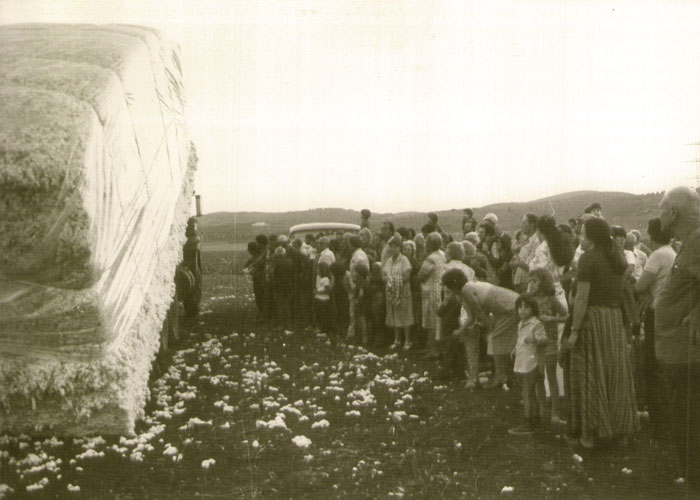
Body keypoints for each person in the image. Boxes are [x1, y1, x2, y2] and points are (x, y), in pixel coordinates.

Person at [564, 217, 640, 449]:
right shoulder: (616, 258)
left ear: (593, 237)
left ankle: (588, 436)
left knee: (591, 374)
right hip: (614, 321)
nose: (580, 237)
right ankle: (621, 433)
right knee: (615, 374)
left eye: (583, 234)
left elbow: (583, 298)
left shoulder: (588, 259)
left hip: (594, 320)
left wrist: (574, 331)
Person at [655, 186, 700, 489]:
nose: (658, 214)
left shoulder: (697, 241)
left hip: (688, 351)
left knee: (690, 414)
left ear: (673, 212)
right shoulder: (689, 242)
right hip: (677, 347)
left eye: (661, 208)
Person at [442, 268, 519, 389]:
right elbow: (472, 317)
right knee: (498, 342)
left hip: (509, 308)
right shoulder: (469, 288)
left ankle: (500, 378)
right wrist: (461, 330)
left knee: (495, 340)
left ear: (453, 285)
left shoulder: (466, 289)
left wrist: (490, 326)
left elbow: (479, 313)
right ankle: (503, 376)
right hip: (509, 305)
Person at [635, 218, 675, 437]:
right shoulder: (671, 253)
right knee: (662, 364)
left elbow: (641, 284)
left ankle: (659, 420)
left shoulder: (657, 255)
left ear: (650, 235)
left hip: (655, 312)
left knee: (651, 364)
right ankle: (666, 416)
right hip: (667, 311)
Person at [529, 268, 568, 424]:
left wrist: (551, 319)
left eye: (535, 281)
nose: (531, 284)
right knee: (538, 376)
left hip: (550, 341)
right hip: (535, 342)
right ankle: (542, 409)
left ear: (544, 282)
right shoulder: (529, 300)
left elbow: (566, 316)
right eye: (530, 280)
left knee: (550, 376)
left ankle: (555, 412)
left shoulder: (552, 300)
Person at [508, 294, 548, 436]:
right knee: (528, 393)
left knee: (528, 394)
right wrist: (515, 349)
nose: (522, 310)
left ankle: (528, 422)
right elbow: (520, 340)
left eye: (526, 307)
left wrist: (535, 339)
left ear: (533, 309)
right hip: (522, 362)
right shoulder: (521, 323)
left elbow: (544, 339)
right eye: (520, 307)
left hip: (531, 364)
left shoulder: (536, 323)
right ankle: (535, 420)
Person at [382, 235, 414, 350]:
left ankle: (407, 340)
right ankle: (397, 339)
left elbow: (407, 276)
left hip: (403, 291)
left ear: (399, 248)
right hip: (392, 292)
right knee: (394, 314)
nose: (393, 249)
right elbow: (384, 274)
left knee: (405, 315)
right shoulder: (389, 261)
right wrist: (386, 279)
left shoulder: (404, 260)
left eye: (395, 247)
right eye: (391, 246)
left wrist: (393, 280)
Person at [418, 232, 446, 359]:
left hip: (432, 290)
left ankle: (433, 350)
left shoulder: (430, 258)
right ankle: (433, 347)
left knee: (431, 320)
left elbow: (421, 275)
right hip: (441, 289)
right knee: (437, 320)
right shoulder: (443, 255)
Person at [512, 213, 540, 293]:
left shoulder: (537, 241)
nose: (521, 225)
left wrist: (517, 263)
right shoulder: (527, 240)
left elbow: (533, 265)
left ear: (532, 225)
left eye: (523, 223)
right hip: (520, 282)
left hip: (528, 283)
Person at [314, 261, 332, 333]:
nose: (317, 270)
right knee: (319, 314)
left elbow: (327, 290)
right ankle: (320, 328)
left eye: (318, 269)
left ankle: (323, 330)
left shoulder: (325, 279)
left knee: (323, 315)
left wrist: (318, 292)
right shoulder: (320, 278)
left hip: (323, 299)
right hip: (319, 298)